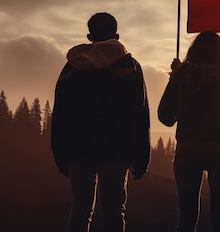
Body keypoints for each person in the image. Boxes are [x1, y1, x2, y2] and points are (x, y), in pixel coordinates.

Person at [51, 12, 151, 232]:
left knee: (80, 211)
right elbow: (139, 113)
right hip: (116, 151)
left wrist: (59, 152)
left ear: (89, 36)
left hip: (78, 150)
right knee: (115, 212)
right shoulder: (130, 67)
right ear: (116, 35)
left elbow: (60, 112)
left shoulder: (72, 67)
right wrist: (141, 155)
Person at [158, 31, 220, 232]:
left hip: (187, 151)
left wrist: (176, 80)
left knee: (186, 217)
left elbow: (165, 117)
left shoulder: (180, 78)